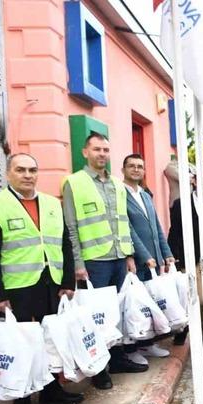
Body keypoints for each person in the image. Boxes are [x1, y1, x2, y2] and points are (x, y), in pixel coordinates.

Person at [0, 153, 80, 404]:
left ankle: (51, 390)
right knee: (21, 343)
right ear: (8, 173)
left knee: (50, 340)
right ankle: (21, 398)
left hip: (51, 283)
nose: (27, 175)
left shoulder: (51, 203)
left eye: (32, 170)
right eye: (20, 170)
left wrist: (68, 281)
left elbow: (65, 244)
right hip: (17, 287)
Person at [62, 132, 145, 390]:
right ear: (85, 152)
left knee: (116, 314)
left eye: (106, 150)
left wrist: (129, 255)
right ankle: (99, 369)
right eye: (97, 149)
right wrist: (77, 263)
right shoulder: (74, 183)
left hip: (119, 257)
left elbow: (124, 223)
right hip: (94, 261)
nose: (102, 154)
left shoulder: (117, 185)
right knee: (96, 317)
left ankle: (117, 359)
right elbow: (71, 227)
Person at [121, 153, 174, 364]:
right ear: (123, 170)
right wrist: (144, 255)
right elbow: (128, 229)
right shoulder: (120, 194)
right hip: (136, 260)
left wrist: (166, 253)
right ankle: (132, 347)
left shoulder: (144, 195)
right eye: (131, 166)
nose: (136, 169)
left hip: (153, 260)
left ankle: (148, 344)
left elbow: (157, 227)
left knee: (150, 303)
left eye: (140, 166)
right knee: (135, 305)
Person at [168, 169, 203, 290]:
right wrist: (173, 256)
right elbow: (175, 232)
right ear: (194, 181)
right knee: (196, 296)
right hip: (190, 257)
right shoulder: (181, 204)